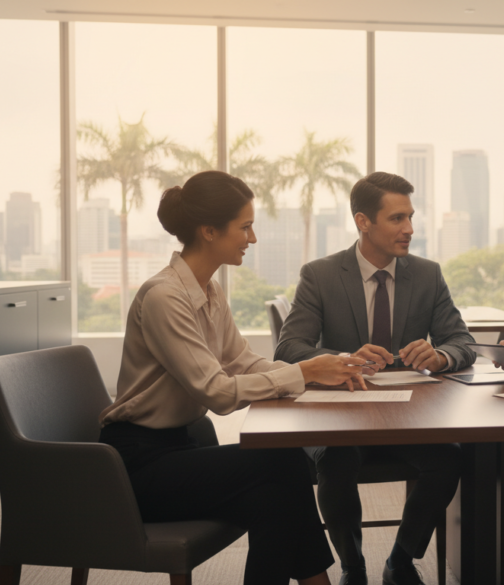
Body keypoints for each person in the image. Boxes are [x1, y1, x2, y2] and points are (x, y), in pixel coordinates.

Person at [98, 170, 370, 585]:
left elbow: (241, 362)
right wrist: (301, 372)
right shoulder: (164, 297)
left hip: (180, 447)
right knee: (279, 465)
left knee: (274, 494)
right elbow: (218, 393)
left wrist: (318, 374)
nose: (253, 238)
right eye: (245, 227)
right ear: (209, 230)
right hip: (137, 466)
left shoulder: (208, 290)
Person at [276, 171, 474, 585]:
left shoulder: (427, 274)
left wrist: (439, 356)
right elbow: (289, 348)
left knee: (450, 456)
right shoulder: (321, 274)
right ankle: (353, 565)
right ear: (363, 222)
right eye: (397, 219)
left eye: (411, 218)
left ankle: (401, 559)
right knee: (336, 457)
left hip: (409, 418)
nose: (410, 229)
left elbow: (461, 341)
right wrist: (343, 358)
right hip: (341, 414)